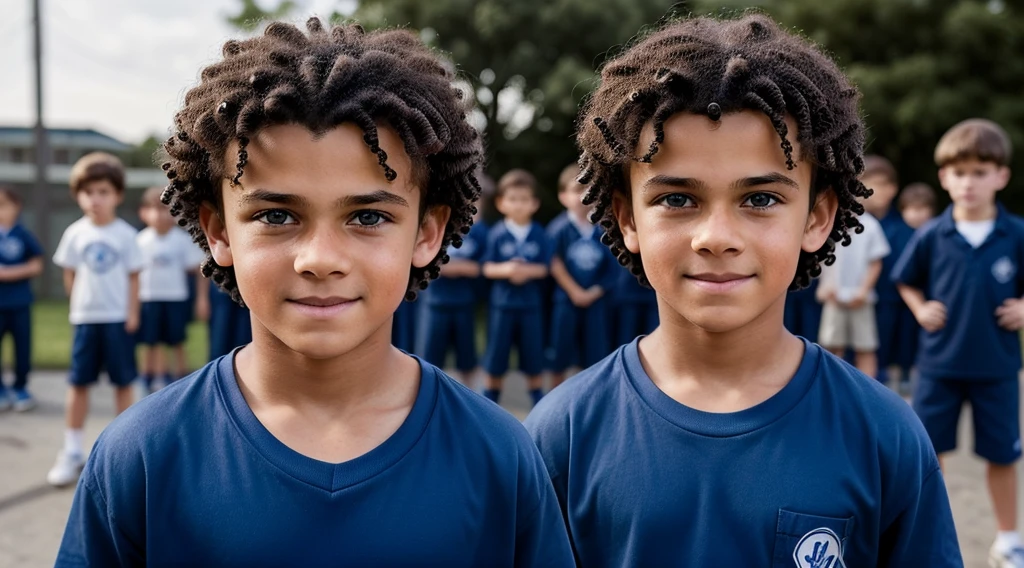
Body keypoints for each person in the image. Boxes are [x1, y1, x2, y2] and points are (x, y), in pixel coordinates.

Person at [55, 19, 573, 567]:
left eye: (368, 216)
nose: (321, 258)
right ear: (218, 232)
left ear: (426, 233)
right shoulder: (141, 454)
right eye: (277, 215)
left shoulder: (499, 454)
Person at [526, 14, 961, 565]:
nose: (717, 238)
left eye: (760, 199)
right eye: (677, 199)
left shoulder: (884, 434)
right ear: (627, 218)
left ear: (817, 218)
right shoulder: (562, 434)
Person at [893, 118, 1024, 567]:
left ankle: (1009, 539)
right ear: (944, 177)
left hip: (999, 368)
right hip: (938, 367)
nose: (970, 182)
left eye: (980, 171)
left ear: (1001, 176)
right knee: (930, 455)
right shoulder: (931, 234)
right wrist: (919, 307)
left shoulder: (1017, 234)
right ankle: (933, 532)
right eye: (960, 172)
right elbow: (905, 281)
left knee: (1003, 456)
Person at [47, 152, 143, 487]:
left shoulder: (127, 235)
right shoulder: (75, 233)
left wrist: (132, 313)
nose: (95, 199)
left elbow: (133, 278)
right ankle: (72, 450)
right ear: (78, 195)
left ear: (117, 194)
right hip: (86, 320)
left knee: (122, 383)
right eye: (88, 192)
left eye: (103, 192)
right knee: (78, 383)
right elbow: (70, 274)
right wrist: (78, 308)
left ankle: (123, 453)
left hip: (117, 319)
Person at [481, 169, 551, 405]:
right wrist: (508, 270)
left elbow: (544, 268)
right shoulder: (497, 234)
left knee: (533, 356)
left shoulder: (539, 233)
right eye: (513, 199)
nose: (518, 204)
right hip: (502, 306)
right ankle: (490, 403)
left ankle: (537, 403)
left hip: (530, 306)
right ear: (501, 203)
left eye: (524, 199)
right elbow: (487, 268)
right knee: (496, 357)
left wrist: (526, 272)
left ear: (534, 204)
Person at [547, 164, 616, 388]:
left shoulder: (605, 230)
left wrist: (594, 292)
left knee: (596, 355)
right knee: (560, 353)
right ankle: (553, 399)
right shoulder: (557, 229)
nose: (584, 195)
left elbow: (613, 268)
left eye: (589, 189)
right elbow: (553, 262)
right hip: (566, 302)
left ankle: (593, 399)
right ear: (563, 196)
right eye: (577, 189)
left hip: (596, 303)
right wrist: (575, 292)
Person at [135, 187, 206, 392]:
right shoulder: (140, 241)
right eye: (154, 209)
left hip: (176, 298)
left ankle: (180, 379)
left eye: (165, 209)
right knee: (150, 341)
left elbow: (198, 270)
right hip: (148, 298)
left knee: (177, 340)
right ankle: (148, 378)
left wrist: (202, 299)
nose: (160, 215)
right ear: (144, 213)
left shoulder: (182, 240)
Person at [815, 195, 890, 379]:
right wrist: (825, 286)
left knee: (865, 346)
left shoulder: (870, 225)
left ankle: (868, 393)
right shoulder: (828, 223)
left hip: (861, 298)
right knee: (831, 346)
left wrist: (864, 290)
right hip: (833, 296)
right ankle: (830, 388)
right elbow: (820, 258)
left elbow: (876, 262)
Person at [859, 155, 916, 388]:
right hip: (856, 299)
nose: (873, 190)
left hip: (893, 300)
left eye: (881, 184)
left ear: (893, 189)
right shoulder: (848, 225)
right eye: (867, 183)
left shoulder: (906, 229)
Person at [417, 198, 487, 385]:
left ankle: (468, 400)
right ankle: (429, 401)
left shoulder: (479, 232)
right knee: (429, 361)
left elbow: (481, 268)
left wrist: (447, 266)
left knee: (467, 360)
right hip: (435, 304)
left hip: (464, 303)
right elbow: (425, 263)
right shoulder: (433, 229)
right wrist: (461, 267)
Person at [0, 185, 44, 411]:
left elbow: (36, 265)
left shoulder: (23, 234)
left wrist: (7, 273)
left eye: (3, 205)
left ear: (16, 207)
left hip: (19, 303)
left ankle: (20, 388)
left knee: (22, 348)